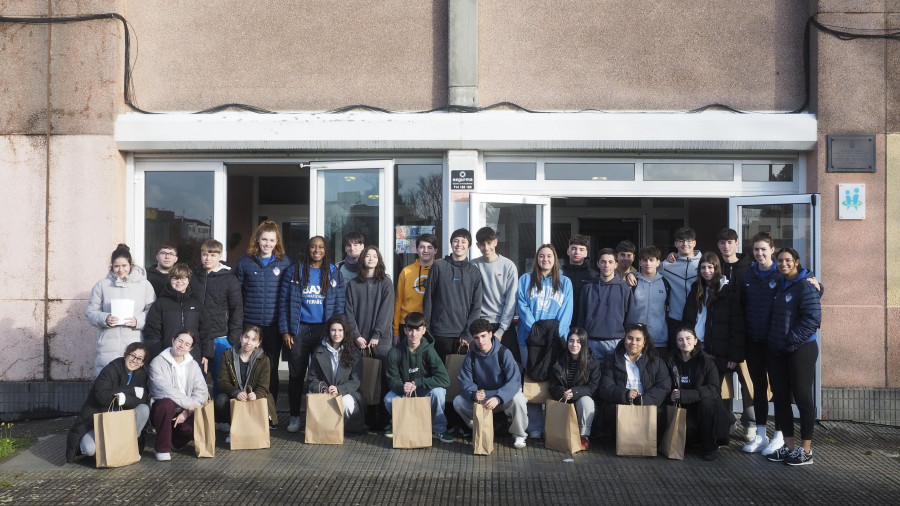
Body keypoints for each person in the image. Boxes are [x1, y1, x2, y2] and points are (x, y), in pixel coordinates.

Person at [279, 235, 345, 433]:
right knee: (296, 375)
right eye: (313, 247)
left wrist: (335, 331)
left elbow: (339, 304)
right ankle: (294, 417)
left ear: (326, 250)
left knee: (320, 376)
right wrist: (285, 330)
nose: (317, 250)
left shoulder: (333, 272)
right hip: (298, 330)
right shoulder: (294, 270)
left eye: (321, 247)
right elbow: (283, 302)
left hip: (323, 331)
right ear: (308, 249)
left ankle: (316, 417)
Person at [765, 247, 822, 466]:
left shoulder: (807, 285)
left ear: (796, 262)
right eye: (780, 260)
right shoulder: (778, 283)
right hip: (778, 349)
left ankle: (806, 450)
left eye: (788, 260)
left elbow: (812, 319)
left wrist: (791, 340)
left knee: (802, 397)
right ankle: (789, 447)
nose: (783, 263)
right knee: (780, 398)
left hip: (801, 349)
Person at [680, 252, 745, 437]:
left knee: (714, 392)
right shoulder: (696, 288)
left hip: (718, 351)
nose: (707, 271)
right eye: (703, 267)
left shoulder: (728, 290)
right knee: (701, 389)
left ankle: (723, 426)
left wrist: (734, 356)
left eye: (711, 267)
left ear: (717, 268)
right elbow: (688, 317)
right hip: (697, 348)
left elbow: (737, 325)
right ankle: (715, 426)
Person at [237, 220, 292, 414]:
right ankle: (247, 412)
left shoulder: (285, 263)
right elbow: (238, 295)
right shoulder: (245, 262)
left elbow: (288, 296)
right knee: (247, 367)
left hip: (273, 325)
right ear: (257, 240)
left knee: (270, 370)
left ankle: (269, 412)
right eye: (264, 239)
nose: (268, 243)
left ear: (277, 242)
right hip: (250, 325)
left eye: (272, 240)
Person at [65, 343, 150, 463]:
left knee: (143, 409)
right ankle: (101, 448)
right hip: (97, 420)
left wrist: (124, 399)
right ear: (126, 355)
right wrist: (130, 391)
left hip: (121, 422)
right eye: (132, 355)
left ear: (142, 363)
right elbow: (101, 396)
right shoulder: (111, 369)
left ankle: (127, 446)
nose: (134, 360)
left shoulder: (141, 375)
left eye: (139, 358)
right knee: (89, 450)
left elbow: (142, 398)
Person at [453, 319, 529, 448]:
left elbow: (514, 381)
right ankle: (479, 428)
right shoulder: (470, 357)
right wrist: (474, 393)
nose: (480, 341)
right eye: (476, 338)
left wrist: (499, 397)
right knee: (458, 402)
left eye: (483, 336)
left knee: (519, 399)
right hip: (483, 397)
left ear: (491, 334)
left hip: (503, 396)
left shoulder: (504, 353)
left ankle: (519, 434)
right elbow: (465, 381)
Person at [86, 244, 156, 376]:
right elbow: (91, 312)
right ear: (111, 266)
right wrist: (105, 318)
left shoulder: (144, 285)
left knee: (131, 383)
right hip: (108, 343)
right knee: (106, 382)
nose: (120, 270)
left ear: (131, 265)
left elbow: (153, 312)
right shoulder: (102, 285)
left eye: (124, 266)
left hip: (134, 340)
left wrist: (138, 320)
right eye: (116, 266)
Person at [383, 312, 453, 442]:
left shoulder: (430, 351)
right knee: (389, 399)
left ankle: (439, 429)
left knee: (438, 392)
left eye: (418, 330)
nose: (414, 334)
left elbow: (444, 379)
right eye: (410, 330)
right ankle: (398, 424)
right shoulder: (394, 352)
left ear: (424, 331)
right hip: (405, 391)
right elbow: (392, 380)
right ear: (405, 330)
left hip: (424, 390)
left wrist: (418, 382)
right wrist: (402, 387)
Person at [715, 228, 756, 441]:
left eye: (730, 242)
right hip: (721, 334)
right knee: (722, 383)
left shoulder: (749, 267)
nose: (726, 246)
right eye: (722, 242)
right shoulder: (714, 267)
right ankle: (727, 421)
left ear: (737, 244)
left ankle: (750, 423)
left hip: (746, 333)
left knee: (747, 381)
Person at [192, 238, 244, 398]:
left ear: (220, 256)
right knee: (195, 380)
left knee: (221, 381)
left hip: (221, 337)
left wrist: (232, 338)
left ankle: (221, 419)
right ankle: (199, 418)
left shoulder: (229, 279)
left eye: (213, 255)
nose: (208, 258)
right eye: (204, 254)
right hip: (197, 338)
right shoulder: (193, 277)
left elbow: (237, 310)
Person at [598, 323, 671, 437]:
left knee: (660, 413)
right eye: (630, 338)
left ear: (644, 342)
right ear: (624, 339)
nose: (633, 343)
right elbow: (605, 387)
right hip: (622, 403)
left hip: (647, 405)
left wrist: (642, 400)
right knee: (609, 409)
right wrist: (626, 394)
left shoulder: (656, 362)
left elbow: (663, 387)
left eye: (638, 340)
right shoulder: (612, 360)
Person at [667, 327, 728, 461]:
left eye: (688, 339)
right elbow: (664, 385)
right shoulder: (670, 360)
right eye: (680, 339)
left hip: (704, 408)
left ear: (695, 341)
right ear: (676, 343)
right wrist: (670, 395)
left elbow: (713, 389)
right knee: (687, 435)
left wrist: (685, 394)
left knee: (706, 404)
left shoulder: (707, 361)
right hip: (683, 408)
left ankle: (709, 448)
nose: (685, 342)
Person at [423, 228, 483, 360]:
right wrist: (427, 328)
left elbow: (476, 306)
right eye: (456, 241)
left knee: (461, 375)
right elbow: (428, 299)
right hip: (439, 332)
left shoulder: (474, 272)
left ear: (469, 245)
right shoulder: (438, 267)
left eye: (463, 241)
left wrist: (468, 333)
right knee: (439, 374)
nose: (459, 244)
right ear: (451, 244)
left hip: (463, 335)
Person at [148, 330, 209, 462]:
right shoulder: (157, 362)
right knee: (166, 404)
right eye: (180, 341)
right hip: (164, 411)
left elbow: (202, 391)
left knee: (194, 426)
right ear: (173, 340)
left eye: (187, 344)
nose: (182, 345)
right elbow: (163, 389)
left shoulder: (193, 365)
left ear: (190, 348)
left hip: (185, 411)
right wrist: (189, 404)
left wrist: (187, 412)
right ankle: (162, 449)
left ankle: (174, 440)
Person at [143, 263, 213, 367]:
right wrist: (157, 356)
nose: (179, 282)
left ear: (188, 280)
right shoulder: (160, 303)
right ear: (170, 279)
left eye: (183, 278)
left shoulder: (196, 304)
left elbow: (205, 330)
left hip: (193, 356)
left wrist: (206, 354)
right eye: (175, 278)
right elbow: (152, 332)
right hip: (166, 356)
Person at [578, 247, 637, 369]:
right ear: (598, 264)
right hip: (591, 342)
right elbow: (580, 318)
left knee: (613, 382)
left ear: (616, 264)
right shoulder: (588, 288)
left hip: (616, 342)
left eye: (610, 262)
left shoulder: (624, 289)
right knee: (592, 381)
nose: (606, 265)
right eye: (603, 262)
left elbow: (630, 320)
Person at [306, 314, 365, 434]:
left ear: (345, 332)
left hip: (345, 392)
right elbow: (312, 377)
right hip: (325, 391)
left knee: (345, 402)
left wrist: (339, 389)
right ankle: (323, 428)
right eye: (333, 330)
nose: (336, 334)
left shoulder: (354, 352)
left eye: (340, 330)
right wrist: (323, 389)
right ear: (329, 331)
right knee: (312, 395)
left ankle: (346, 426)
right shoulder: (319, 351)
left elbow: (356, 381)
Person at [215, 326, 278, 436]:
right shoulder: (228, 355)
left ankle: (255, 428)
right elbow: (222, 382)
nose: (248, 342)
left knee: (264, 399)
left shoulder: (263, 360)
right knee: (220, 400)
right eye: (246, 337)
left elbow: (264, 386)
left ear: (258, 343)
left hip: (253, 397)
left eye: (254, 340)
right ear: (241, 337)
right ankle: (233, 428)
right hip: (235, 396)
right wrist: (236, 392)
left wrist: (256, 394)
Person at [517, 244, 573, 365]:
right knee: (530, 378)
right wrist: (535, 331)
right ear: (537, 259)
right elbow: (522, 307)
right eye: (541, 256)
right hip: (529, 337)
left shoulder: (565, 282)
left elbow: (566, 311)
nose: (545, 259)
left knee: (554, 378)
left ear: (555, 259)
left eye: (549, 256)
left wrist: (555, 333)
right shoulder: (525, 279)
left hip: (556, 339)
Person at [547, 327, 601, 450]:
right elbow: (553, 385)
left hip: (581, 400)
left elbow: (593, 387)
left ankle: (584, 436)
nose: (574, 345)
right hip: (563, 399)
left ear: (584, 343)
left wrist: (576, 392)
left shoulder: (592, 363)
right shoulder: (559, 360)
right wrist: (562, 392)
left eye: (578, 342)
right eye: (571, 341)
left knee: (586, 401)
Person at [345, 245, 394, 361]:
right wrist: (356, 336)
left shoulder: (386, 282)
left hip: (380, 340)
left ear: (379, 260)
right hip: (358, 340)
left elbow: (387, 311)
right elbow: (348, 312)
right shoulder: (353, 284)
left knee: (381, 376)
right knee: (360, 376)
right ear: (362, 259)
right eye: (367, 256)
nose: (371, 259)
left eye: (374, 256)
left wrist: (377, 335)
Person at [472, 227, 518, 341]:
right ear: (478, 246)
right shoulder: (473, 266)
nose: (486, 248)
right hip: (480, 324)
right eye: (482, 244)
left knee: (510, 359)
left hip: (503, 325)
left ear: (496, 242)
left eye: (489, 243)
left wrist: (501, 330)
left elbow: (511, 300)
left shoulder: (508, 266)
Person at [393, 233, 438, 344]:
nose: (425, 250)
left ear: (435, 250)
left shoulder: (440, 270)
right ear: (417, 250)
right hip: (408, 324)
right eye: (422, 247)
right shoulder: (406, 272)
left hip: (430, 325)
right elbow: (398, 302)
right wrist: (396, 332)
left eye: (430, 247)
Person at [661, 227, 702, 344]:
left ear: (694, 243)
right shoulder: (666, 266)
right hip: (675, 318)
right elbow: (648, 271)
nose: (685, 244)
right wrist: (631, 275)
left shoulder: (704, 264)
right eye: (681, 241)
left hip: (698, 317)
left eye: (689, 241)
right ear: (675, 244)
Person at [631, 246, 671, 357]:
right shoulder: (633, 282)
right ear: (639, 262)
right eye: (645, 260)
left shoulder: (665, 283)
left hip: (660, 339)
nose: (648, 263)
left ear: (658, 262)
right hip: (637, 340)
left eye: (651, 260)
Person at [561, 234, 596, 325]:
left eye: (581, 249)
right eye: (573, 248)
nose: (577, 252)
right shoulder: (559, 274)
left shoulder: (593, 276)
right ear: (568, 251)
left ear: (586, 253)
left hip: (585, 323)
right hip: (561, 322)